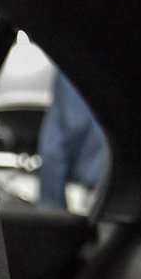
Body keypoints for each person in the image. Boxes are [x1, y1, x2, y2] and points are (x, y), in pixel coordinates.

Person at [38, 72, 108, 209]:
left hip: (93, 190)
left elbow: (53, 149)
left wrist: (50, 206)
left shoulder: (76, 67)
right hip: (127, 186)